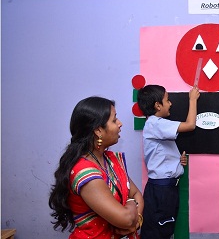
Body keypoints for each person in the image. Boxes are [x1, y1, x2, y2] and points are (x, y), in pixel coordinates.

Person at [49, 96, 144, 239]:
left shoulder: (110, 160)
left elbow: (137, 195)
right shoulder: (85, 171)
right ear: (98, 130)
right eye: (114, 120)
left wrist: (135, 222)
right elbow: (126, 218)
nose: (120, 124)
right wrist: (131, 207)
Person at [137, 84, 200, 239]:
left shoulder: (156, 125)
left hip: (166, 188)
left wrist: (177, 162)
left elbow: (161, 153)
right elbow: (190, 125)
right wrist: (192, 100)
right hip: (161, 190)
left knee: (164, 229)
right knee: (158, 231)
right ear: (157, 105)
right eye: (167, 100)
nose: (171, 103)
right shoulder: (155, 123)